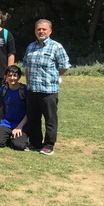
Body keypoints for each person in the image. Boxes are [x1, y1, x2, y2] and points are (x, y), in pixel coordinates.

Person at [23, 19, 71, 155]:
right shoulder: (30, 47)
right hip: (33, 90)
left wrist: (54, 76)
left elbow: (64, 66)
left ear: (50, 31)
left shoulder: (56, 47)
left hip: (48, 90)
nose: (41, 31)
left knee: (50, 119)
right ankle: (35, 143)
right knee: (33, 118)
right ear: (35, 31)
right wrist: (28, 84)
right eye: (38, 29)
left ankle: (49, 145)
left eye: (44, 29)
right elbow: (26, 67)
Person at [0, 65, 29, 150]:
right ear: (5, 77)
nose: (12, 78)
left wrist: (19, 127)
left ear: (19, 77)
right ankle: (10, 136)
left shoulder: (24, 90)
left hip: (21, 124)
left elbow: (29, 112)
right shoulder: (3, 90)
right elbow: (1, 108)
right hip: (6, 123)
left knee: (19, 146)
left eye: (15, 75)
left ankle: (21, 138)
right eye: (9, 75)